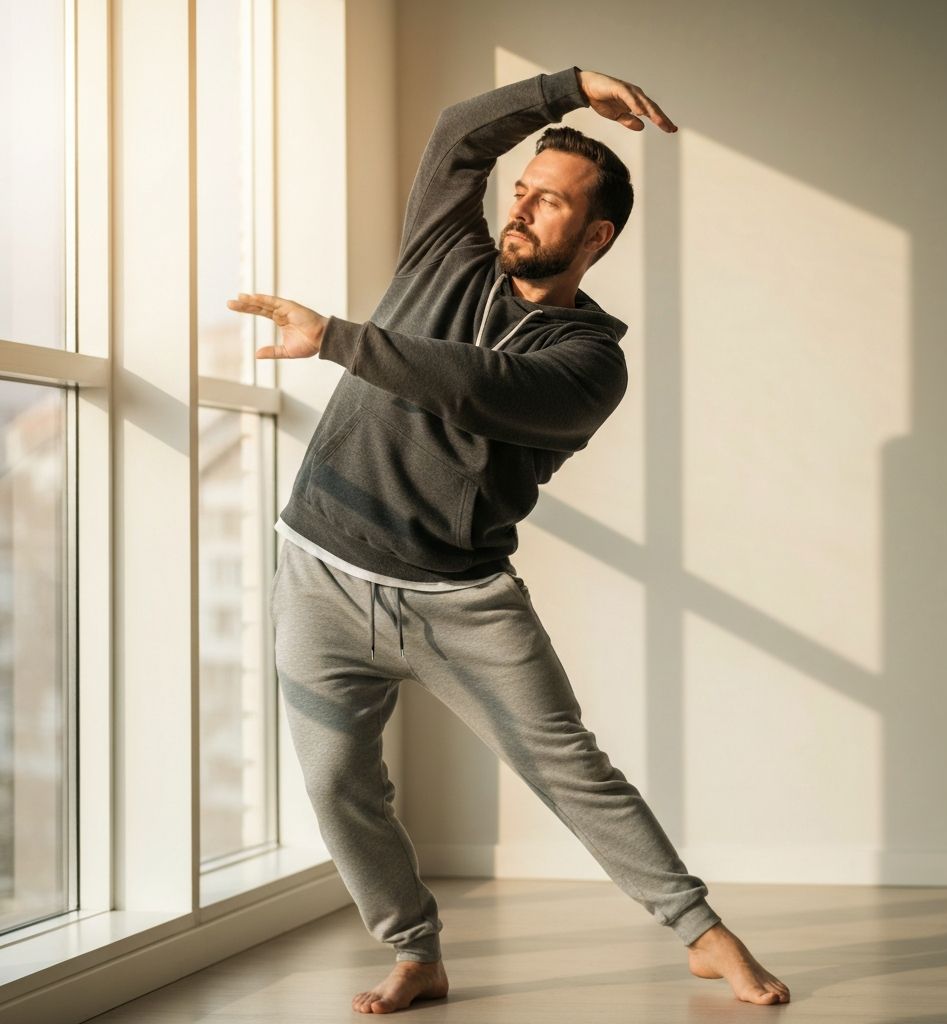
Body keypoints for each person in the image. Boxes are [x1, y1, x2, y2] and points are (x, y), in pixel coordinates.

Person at [227, 66, 790, 1013]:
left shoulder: (587, 362)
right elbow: (458, 136)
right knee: (336, 783)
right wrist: (568, 88)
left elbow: (472, 385)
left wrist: (335, 337)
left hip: (459, 601)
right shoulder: (443, 253)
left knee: (570, 768)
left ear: (596, 235)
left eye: (550, 202)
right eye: (521, 191)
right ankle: (415, 953)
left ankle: (703, 936)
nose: (520, 209)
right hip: (318, 570)